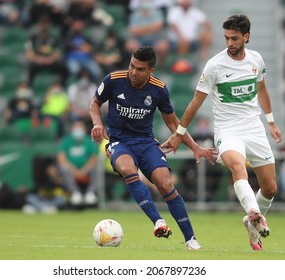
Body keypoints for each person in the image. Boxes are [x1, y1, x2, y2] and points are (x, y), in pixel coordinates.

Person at [161, 15, 283, 251]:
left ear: (246, 37)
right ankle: (254, 212)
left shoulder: (256, 59)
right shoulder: (214, 65)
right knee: (238, 167)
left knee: (270, 188)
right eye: (226, 38)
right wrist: (179, 132)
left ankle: (251, 223)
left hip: (254, 127)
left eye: (235, 38)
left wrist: (271, 121)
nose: (230, 43)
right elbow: (195, 102)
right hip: (228, 130)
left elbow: (262, 89)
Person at [89, 46, 217, 250]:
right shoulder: (114, 79)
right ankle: (158, 221)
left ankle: (191, 239)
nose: (133, 72)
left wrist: (194, 147)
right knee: (128, 168)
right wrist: (97, 123)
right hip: (119, 141)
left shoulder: (158, 89)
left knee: (165, 184)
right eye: (132, 66)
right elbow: (95, 103)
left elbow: (173, 123)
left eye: (140, 69)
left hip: (146, 142)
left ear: (151, 71)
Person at [57, 119, 99, 207]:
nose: (78, 129)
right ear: (72, 129)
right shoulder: (66, 141)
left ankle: (90, 193)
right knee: (63, 167)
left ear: (84, 129)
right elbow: (61, 158)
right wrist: (75, 171)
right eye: (76, 126)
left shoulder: (89, 141)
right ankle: (75, 193)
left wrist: (83, 171)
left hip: (87, 169)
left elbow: (94, 158)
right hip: (71, 170)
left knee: (97, 167)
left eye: (80, 126)